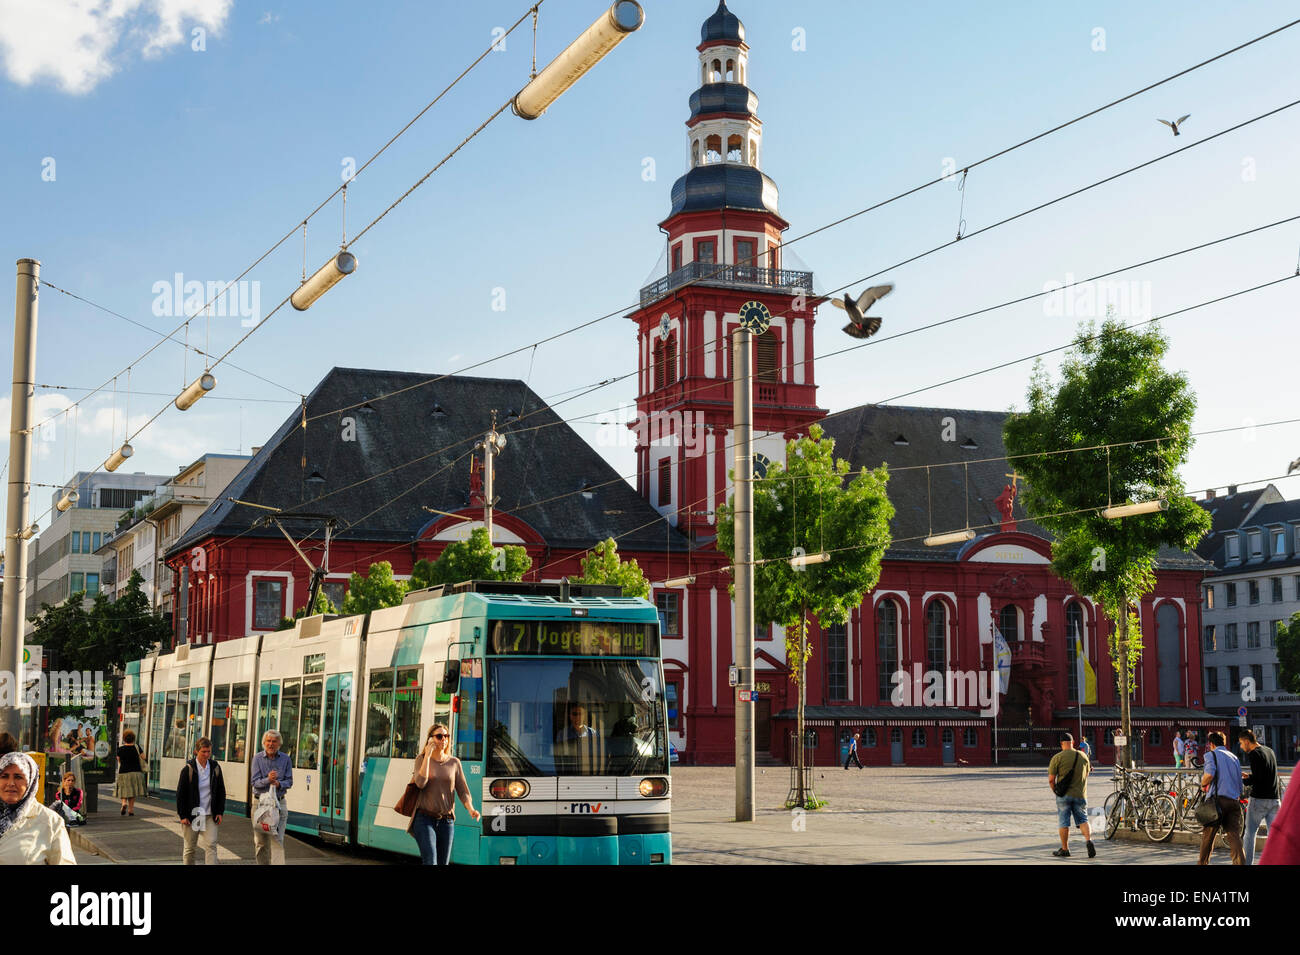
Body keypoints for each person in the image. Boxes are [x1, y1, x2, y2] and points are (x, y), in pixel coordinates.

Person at [407, 723, 479, 865]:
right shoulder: (421, 760)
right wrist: (427, 756)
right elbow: (420, 783)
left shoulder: (454, 762)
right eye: (439, 736)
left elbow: (462, 790)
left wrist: (471, 809)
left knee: (443, 863)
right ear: (431, 739)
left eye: (446, 736)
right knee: (430, 861)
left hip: (447, 821)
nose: (443, 739)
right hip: (424, 819)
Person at [0, 750, 75, 864]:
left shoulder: (50, 822)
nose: (11, 783)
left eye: (18, 777)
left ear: (31, 781)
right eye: (4, 776)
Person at [1197, 731, 1244, 865]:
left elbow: (1209, 774)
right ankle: (1240, 863)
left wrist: (1203, 784)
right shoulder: (1234, 757)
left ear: (1211, 744)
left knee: (1208, 836)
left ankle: (1202, 863)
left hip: (1218, 803)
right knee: (1234, 836)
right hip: (1234, 801)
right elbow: (1239, 782)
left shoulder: (1211, 755)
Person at [177, 736, 225, 865]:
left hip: (210, 814)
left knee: (211, 845)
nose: (206, 754)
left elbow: (221, 791)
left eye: (209, 751)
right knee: (190, 848)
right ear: (196, 751)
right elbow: (181, 794)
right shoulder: (188, 769)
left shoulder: (215, 767)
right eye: (203, 751)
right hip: (193, 814)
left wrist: (220, 812)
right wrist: (182, 815)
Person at [1047, 732, 1094, 859]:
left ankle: (1065, 849)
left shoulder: (1057, 758)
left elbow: (1051, 780)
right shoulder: (1083, 756)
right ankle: (1089, 840)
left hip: (1064, 795)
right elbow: (1087, 774)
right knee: (1083, 820)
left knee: (1064, 822)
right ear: (1073, 742)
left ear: (1061, 744)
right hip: (1080, 794)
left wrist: (1056, 791)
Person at [250, 729, 293, 865]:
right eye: (268, 741)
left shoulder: (286, 759)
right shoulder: (257, 758)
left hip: (279, 804)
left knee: (277, 841)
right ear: (264, 743)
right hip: (260, 805)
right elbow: (254, 783)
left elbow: (289, 781)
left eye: (274, 741)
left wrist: (279, 783)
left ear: (279, 744)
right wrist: (268, 780)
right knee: (261, 843)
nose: (271, 744)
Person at [1238, 729, 1280, 866]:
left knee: (1250, 834)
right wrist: (1249, 776)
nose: (1241, 746)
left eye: (1241, 743)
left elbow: (1258, 779)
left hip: (1259, 800)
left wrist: (1243, 780)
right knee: (1274, 836)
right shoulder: (1269, 751)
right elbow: (1267, 775)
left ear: (1246, 741)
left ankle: (1247, 864)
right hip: (1274, 799)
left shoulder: (1254, 754)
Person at [114, 729, 147, 816]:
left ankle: (124, 803)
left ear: (124, 739)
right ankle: (131, 809)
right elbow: (144, 757)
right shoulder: (137, 747)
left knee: (123, 789)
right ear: (133, 738)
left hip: (123, 772)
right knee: (132, 791)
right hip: (136, 772)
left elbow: (119, 760)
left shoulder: (120, 749)